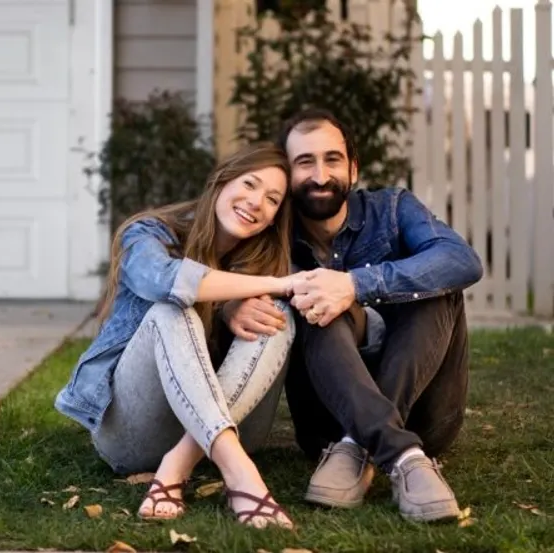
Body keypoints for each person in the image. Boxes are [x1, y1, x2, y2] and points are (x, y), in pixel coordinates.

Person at [223, 108, 484, 523]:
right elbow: (216, 267)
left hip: (426, 417)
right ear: (286, 175)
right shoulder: (271, 232)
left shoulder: (394, 209)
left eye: (332, 159)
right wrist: (229, 304)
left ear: (353, 168)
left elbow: (461, 260)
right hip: (324, 425)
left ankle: (359, 442)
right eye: (304, 162)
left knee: (436, 289)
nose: (321, 175)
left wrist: (355, 285)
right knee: (310, 297)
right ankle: (403, 455)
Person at [55, 142, 300, 529]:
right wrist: (265, 286)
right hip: (134, 434)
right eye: (249, 184)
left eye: (272, 199)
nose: (256, 202)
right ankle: (240, 474)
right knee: (171, 308)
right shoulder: (149, 233)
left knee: (276, 314)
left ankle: (179, 462)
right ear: (220, 182)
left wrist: (241, 304)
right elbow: (165, 281)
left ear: (274, 218)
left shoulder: (265, 256)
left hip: (225, 425)